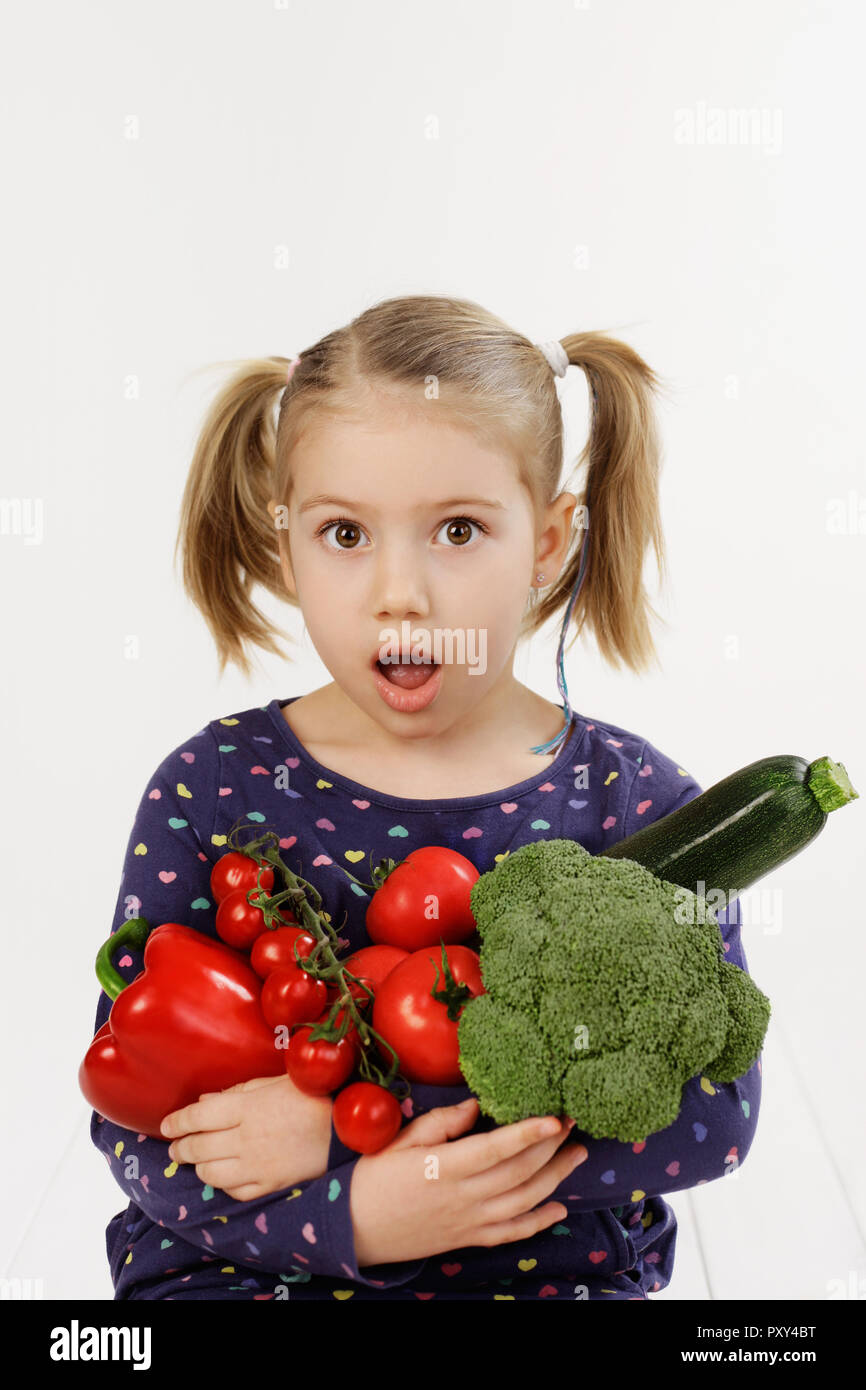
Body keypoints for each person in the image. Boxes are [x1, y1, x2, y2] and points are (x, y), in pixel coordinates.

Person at [86, 293, 761, 1301]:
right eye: (343, 534)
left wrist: (366, 1131)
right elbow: (132, 1125)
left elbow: (710, 1119)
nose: (398, 591)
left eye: (456, 529)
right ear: (283, 546)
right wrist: (347, 1215)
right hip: (251, 1268)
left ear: (546, 541)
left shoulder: (636, 803)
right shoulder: (212, 784)